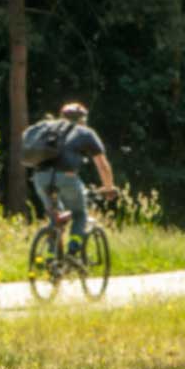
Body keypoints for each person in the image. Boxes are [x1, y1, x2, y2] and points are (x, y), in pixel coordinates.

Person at [31, 103, 118, 255]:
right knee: (79, 214)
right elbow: (102, 165)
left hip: (40, 178)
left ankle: (52, 260)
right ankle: (73, 249)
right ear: (83, 119)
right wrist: (109, 187)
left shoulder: (47, 130)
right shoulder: (85, 133)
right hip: (66, 178)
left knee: (55, 217)